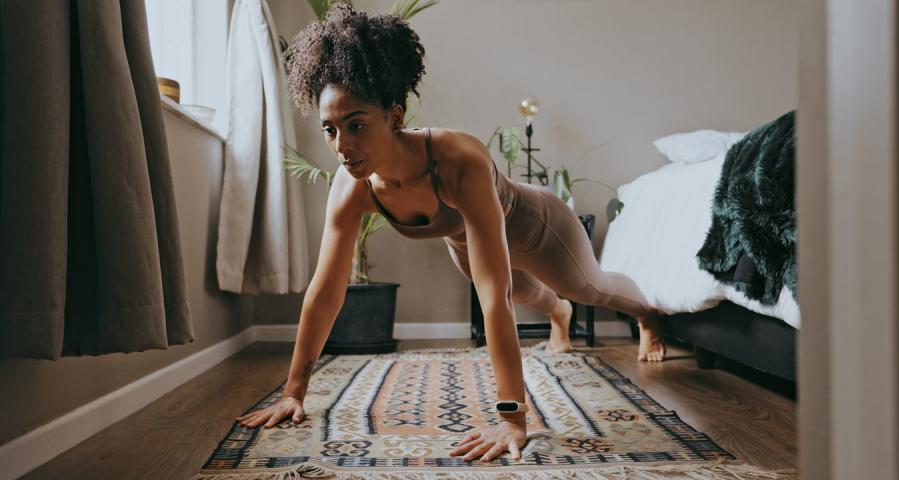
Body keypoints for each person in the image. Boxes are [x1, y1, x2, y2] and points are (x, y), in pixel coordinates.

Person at [234, 4, 663, 462]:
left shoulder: (459, 160)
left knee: (588, 287)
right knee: (524, 294)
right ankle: (558, 314)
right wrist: (293, 391)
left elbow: (491, 298)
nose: (342, 146)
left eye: (356, 125)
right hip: (466, 242)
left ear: (395, 116)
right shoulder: (351, 187)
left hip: (538, 228)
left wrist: (511, 419)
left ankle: (648, 315)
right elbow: (324, 295)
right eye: (330, 129)